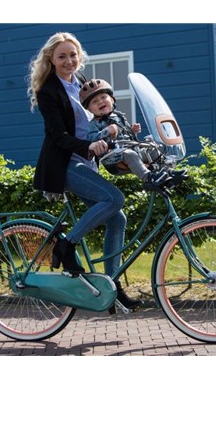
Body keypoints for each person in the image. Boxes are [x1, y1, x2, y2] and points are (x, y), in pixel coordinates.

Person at [28, 32, 141, 310]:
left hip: (86, 160)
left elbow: (99, 116)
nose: (69, 61)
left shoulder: (80, 82)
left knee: (117, 219)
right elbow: (58, 136)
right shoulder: (48, 92)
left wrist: (121, 131)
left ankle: (111, 288)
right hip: (64, 162)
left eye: (73, 55)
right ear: (51, 59)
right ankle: (66, 244)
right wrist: (89, 145)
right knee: (114, 199)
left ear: (80, 56)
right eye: (62, 56)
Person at [79, 79, 172, 191]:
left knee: (154, 147)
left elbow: (125, 132)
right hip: (112, 157)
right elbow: (91, 139)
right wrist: (106, 131)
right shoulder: (93, 124)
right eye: (94, 101)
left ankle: (167, 172)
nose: (100, 102)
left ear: (112, 99)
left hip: (132, 149)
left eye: (103, 97)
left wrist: (132, 130)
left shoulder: (119, 116)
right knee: (129, 154)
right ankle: (148, 178)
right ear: (89, 109)